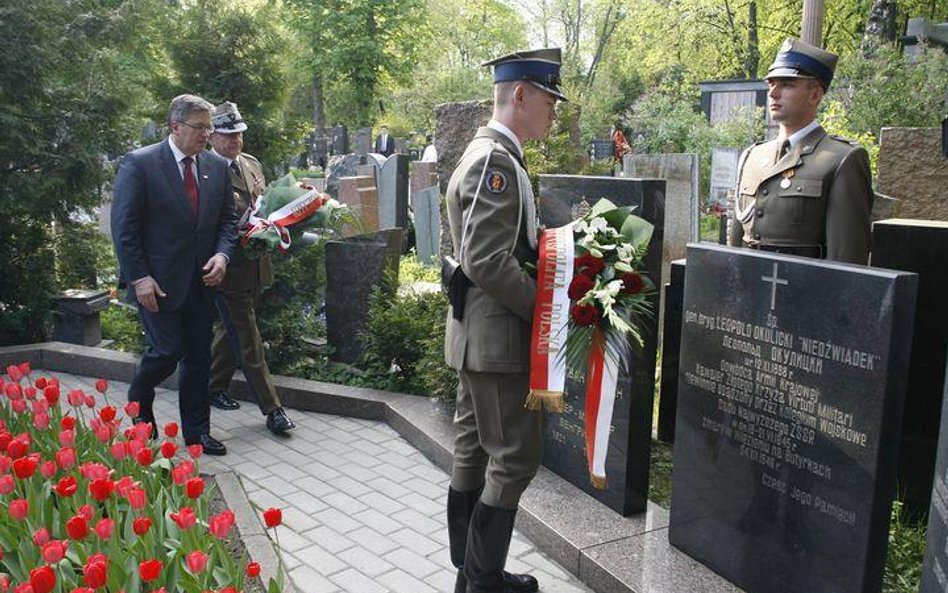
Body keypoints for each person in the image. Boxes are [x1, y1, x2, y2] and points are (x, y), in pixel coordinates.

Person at [444, 47, 565, 593]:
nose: (554, 112)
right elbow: (487, 260)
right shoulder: (496, 160)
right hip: (496, 341)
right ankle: (481, 578)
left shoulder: (489, 153)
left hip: (476, 336)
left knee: (473, 448)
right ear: (521, 94)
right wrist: (550, 308)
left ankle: (471, 571)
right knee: (514, 459)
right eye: (548, 98)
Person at [111, 94, 237, 456]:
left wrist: (223, 256)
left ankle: (197, 434)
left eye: (209, 128)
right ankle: (139, 396)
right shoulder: (141, 164)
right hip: (157, 284)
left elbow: (228, 220)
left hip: (202, 282)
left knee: (198, 360)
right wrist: (139, 278)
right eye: (200, 127)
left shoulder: (215, 166)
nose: (206, 135)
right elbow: (125, 228)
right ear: (175, 126)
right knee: (168, 350)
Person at [728, 38, 873, 264]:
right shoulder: (752, 156)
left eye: (787, 84)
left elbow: (847, 257)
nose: (774, 93)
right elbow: (736, 244)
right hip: (750, 290)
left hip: (804, 291)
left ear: (814, 95)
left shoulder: (840, 160)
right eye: (771, 84)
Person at [206, 102, 296, 435]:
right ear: (212, 136)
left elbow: (264, 204)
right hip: (228, 266)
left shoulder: (251, 164)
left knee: (232, 329)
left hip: (256, 262)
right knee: (248, 337)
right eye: (228, 135)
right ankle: (273, 409)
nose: (235, 141)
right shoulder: (206, 169)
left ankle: (212, 387)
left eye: (239, 134)